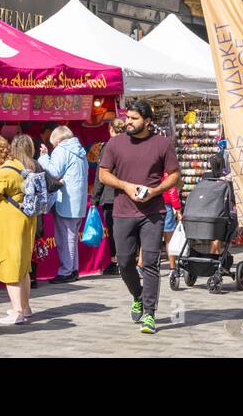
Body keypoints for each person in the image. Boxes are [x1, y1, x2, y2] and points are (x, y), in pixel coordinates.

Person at [97, 99, 181, 336]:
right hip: (123, 211)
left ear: (147, 121)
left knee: (151, 263)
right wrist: (125, 185)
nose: (128, 122)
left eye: (134, 119)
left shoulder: (162, 144)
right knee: (124, 262)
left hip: (153, 213)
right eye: (127, 118)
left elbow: (175, 174)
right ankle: (138, 296)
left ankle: (150, 314)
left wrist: (155, 191)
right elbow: (103, 174)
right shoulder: (115, 144)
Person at [0, 134, 39, 325]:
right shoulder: (17, 165)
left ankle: (17, 311)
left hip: (10, 225)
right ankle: (26, 307)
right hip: (25, 221)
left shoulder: (3, 173)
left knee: (11, 266)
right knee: (23, 267)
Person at [39, 125, 88, 284]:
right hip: (77, 201)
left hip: (65, 201)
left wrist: (44, 157)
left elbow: (53, 172)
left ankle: (66, 271)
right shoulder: (80, 151)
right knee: (71, 238)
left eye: (53, 144)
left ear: (58, 140)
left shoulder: (62, 150)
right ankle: (72, 269)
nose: (53, 147)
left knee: (65, 239)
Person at [91, 116, 127, 276]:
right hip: (127, 194)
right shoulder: (131, 145)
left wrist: (94, 199)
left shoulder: (108, 147)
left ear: (111, 130)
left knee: (114, 231)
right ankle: (127, 259)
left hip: (111, 195)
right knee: (126, 231)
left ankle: (115, 262)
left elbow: (101, 174)